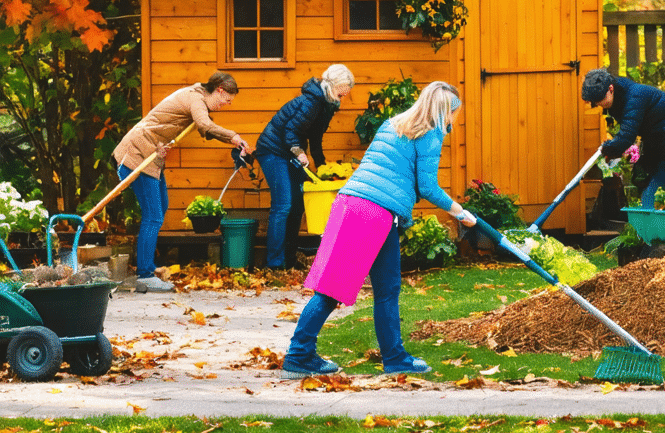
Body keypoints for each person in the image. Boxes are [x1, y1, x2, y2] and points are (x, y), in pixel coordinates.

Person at [281, 81, 476, 377]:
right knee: (333, 290)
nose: (452, 121)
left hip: (351, 203)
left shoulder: (393, 124)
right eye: (453, 114)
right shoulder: (430, 134)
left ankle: (395, 358)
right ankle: (298, 356)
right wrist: (460, 213)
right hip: (372, 213)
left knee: (387, 287)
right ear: (446, 110)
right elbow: (427, 186)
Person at [113, 72, 251, 293]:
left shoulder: (196, 97)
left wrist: (227, 138)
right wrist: (233, 137)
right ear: (220, 90)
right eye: (226, 100)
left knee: (161, 208)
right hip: (137, 155)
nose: (226, 105)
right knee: (154, 215)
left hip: (152, 156)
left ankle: (147, 268)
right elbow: (204, 125)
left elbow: (204, 127)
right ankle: (145, 275)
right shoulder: (195, 98)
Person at [255, 65, 356, 270]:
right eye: (342, 91)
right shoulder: (312, 101)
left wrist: (322, 168)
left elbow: (315, 137)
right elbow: (290, 131)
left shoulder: (327, 104)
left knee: (298, 206)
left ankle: (289, 260)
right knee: (283, 206)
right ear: (333, 85)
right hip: (273, 150)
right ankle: (274, 265)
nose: (343, 97)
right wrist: (299, 152)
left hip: (289, 151)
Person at [581, 68, 665, 209]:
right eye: (595, 101)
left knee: (653, 192)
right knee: (641, 177)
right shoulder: (621, 96)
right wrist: (614, 149)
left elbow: (627, 135)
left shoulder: (634, 97)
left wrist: (610, 148)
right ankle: (652, 223)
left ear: (611, 89)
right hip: (660, 141)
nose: (599, 104)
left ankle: (651, 227)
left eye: (600, 99)